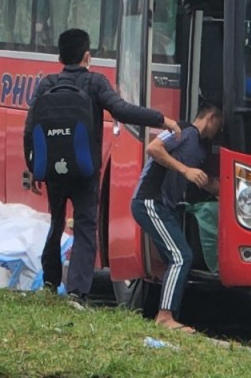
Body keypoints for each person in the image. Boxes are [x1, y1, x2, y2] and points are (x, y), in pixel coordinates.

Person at [23, 28, 180, 305]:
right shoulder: (95, 82)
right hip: (85, 170)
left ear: (60, 56)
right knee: (85, 227)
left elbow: (30, 127)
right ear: (87, 56)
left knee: (56, 222)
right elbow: (122, 110)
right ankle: (76, 292)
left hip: (53, 172)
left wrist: (33, 165)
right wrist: (160, 119)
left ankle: (50, 282)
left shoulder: (47, 84)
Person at [130, 100, 223, 333]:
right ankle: (164, 317)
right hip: (150, 201)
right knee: (181, 256)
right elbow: (153, 148)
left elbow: (205, 181)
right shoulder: (182, 131)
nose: (219, 132)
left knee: (176, 259)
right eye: (219, 125)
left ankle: (168, 313)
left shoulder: (201, 149)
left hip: (166, 207)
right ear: (211, 117)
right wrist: (184, 170)